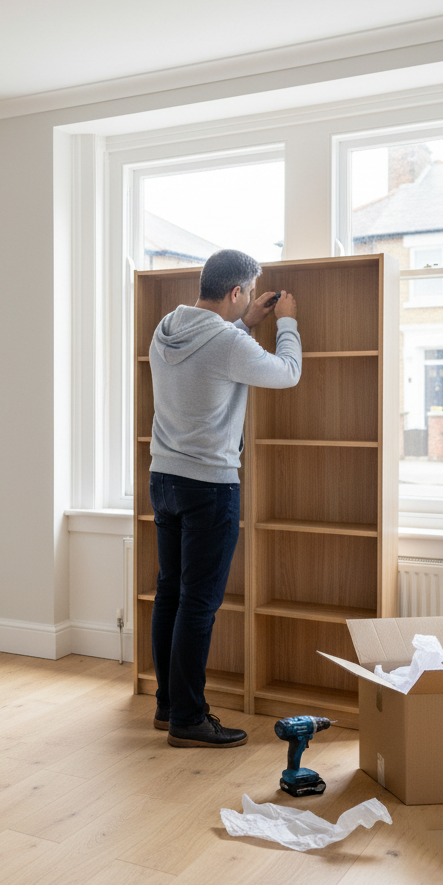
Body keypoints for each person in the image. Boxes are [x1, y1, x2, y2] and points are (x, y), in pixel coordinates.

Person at [148, 248, 300, 748]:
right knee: (198, 604)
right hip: (208, 486)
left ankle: (168, 705)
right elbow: (286, 372)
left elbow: (211, 352)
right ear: (236, 291)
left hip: (163, 479)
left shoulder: (166, 328)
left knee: (171, 594)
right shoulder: (228, 343)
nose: (252, 298)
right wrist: (286, 323)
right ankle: (189, 718)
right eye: (249, 292)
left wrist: (246, 322)